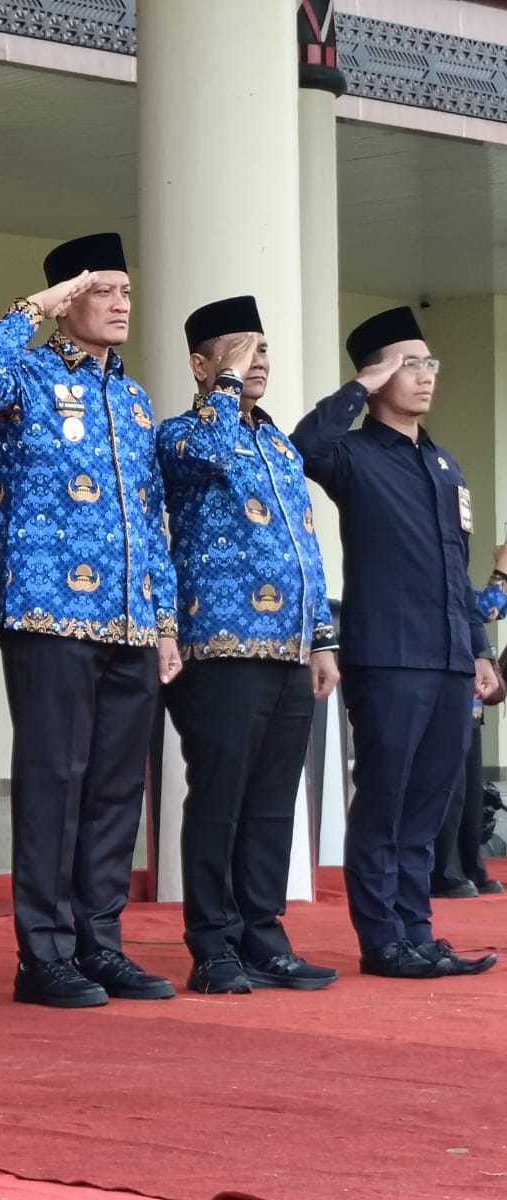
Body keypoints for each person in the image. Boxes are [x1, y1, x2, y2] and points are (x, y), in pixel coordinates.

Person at [0, 232, 180, 1008]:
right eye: (102, 290)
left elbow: (151, 518)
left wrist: (166, 621)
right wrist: (31, 308)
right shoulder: (26, 374)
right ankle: (44, 954)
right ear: (66, 303)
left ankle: (100, 943)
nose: (120, 304)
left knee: (116, 790)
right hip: (48, 612)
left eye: (125, 291)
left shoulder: (135, 399)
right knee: (55, 783)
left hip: (130, 621)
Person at [292, 305, 497, 978]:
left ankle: (417, 931)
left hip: (448, 658)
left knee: (429, 804)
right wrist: (357, 388)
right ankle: (383, 940)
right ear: (377, 375)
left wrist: (479, 649)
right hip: (388, 656)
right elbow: (304, 445)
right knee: (385, 800)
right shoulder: (352, 456)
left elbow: (456, 566)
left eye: (429, 363)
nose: (426, 376)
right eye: (409, 365)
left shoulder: (444, 464)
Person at [155, 296, 340, 995]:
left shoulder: (280, 444)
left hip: (289, 650)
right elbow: (206, 451)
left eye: (260, 348)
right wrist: (226, 387)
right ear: (200, 365)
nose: (254, 360)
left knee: (271, 804)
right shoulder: (181, 434)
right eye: (236, 349)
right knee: (220, 798)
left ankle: (263, 935)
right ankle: (213, 946)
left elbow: (307, 547)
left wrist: (321, 638)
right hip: (220, 649)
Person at [431, 558, 507, 898]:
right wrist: (502, 569)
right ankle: (445, 872)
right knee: (451, 789)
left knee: (472, 792)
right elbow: (487, 607)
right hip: (445, 688)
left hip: (470, 698)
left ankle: (470, 866)